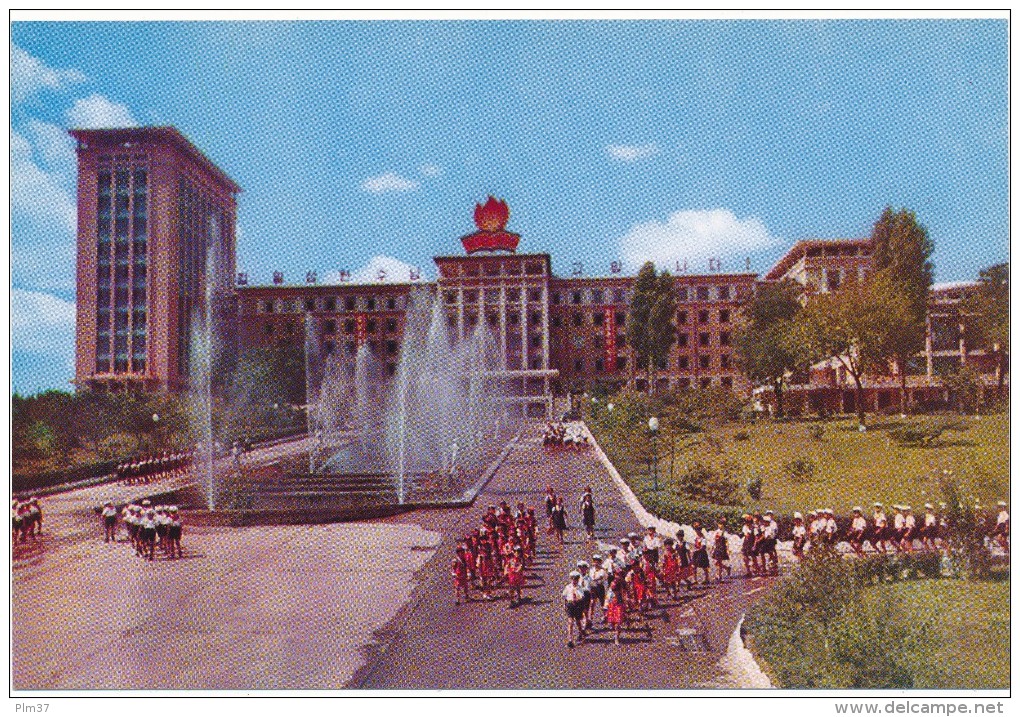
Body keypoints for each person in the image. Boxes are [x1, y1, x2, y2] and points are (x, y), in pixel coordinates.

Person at [563, 571, 586, 648]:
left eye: (576, 579)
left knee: (578, 621)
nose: (574, 580)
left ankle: (580, 633)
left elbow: (582, 597)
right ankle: (570, 639)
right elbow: (565, 596)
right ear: (570, 579)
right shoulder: (568, 587)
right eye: (572, 579)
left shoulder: (580, 588)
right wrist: (565, 605)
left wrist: (578, 601)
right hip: (570, 605)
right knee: (570, 622)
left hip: (577, 605)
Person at [604, 575, 626, 646]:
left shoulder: (621, 589)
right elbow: (607, 599)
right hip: (612, 606)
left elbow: (623, 597)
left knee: (617, 623)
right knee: (612, 623)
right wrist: (606, 607)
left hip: (618, 606)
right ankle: (619, 630)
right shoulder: (609, 592)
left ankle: (616, 638)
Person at [589, 554, 607, 624]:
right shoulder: (591, 570)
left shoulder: (602, 570)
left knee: (602, 602)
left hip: (600, 587)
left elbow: (601, 577)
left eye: (597, 561)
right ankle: (590, 617)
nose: (596, 563)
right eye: (594, 561)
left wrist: (595, 579)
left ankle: (605, 616)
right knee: (592, 602)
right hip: (593, 587)